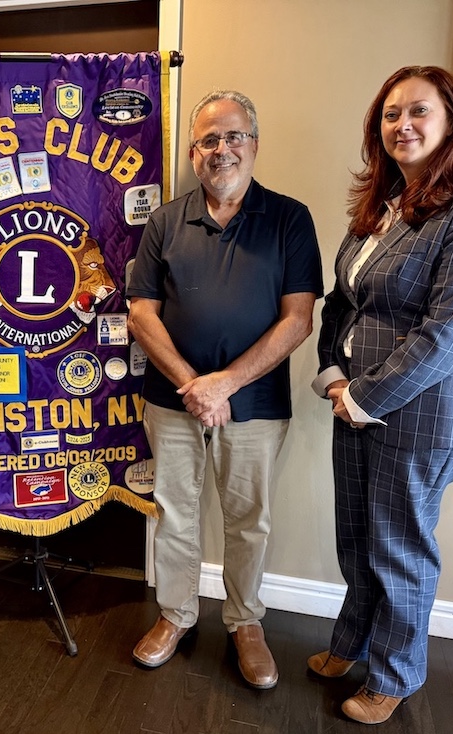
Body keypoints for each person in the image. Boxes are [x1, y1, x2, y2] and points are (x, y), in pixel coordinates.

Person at [309, 66, 453, 724]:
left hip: (423, 413)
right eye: (391, 114)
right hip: (353, 401)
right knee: (356, 539)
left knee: (397, 548)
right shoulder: (381, 206)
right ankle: (352, 642)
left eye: (418, 111)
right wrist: (332, 375)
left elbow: (451, 330)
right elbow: (343, 301)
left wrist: (364, 396)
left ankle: (394, 674)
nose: (402, 125)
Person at [126, 90, 323, 687]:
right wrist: (194, 385)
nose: (222, 149)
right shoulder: (165, 221)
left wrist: (226, 384)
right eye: (208, 140)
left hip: (256, 402)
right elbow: (140, 313)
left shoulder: (289, 218)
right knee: (174, 512)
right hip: (173, 400)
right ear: (194, 154)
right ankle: (176, 614)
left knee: (249, 518)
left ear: (254, 144)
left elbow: (298, 319)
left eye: (234, 136)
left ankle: (245, 622)